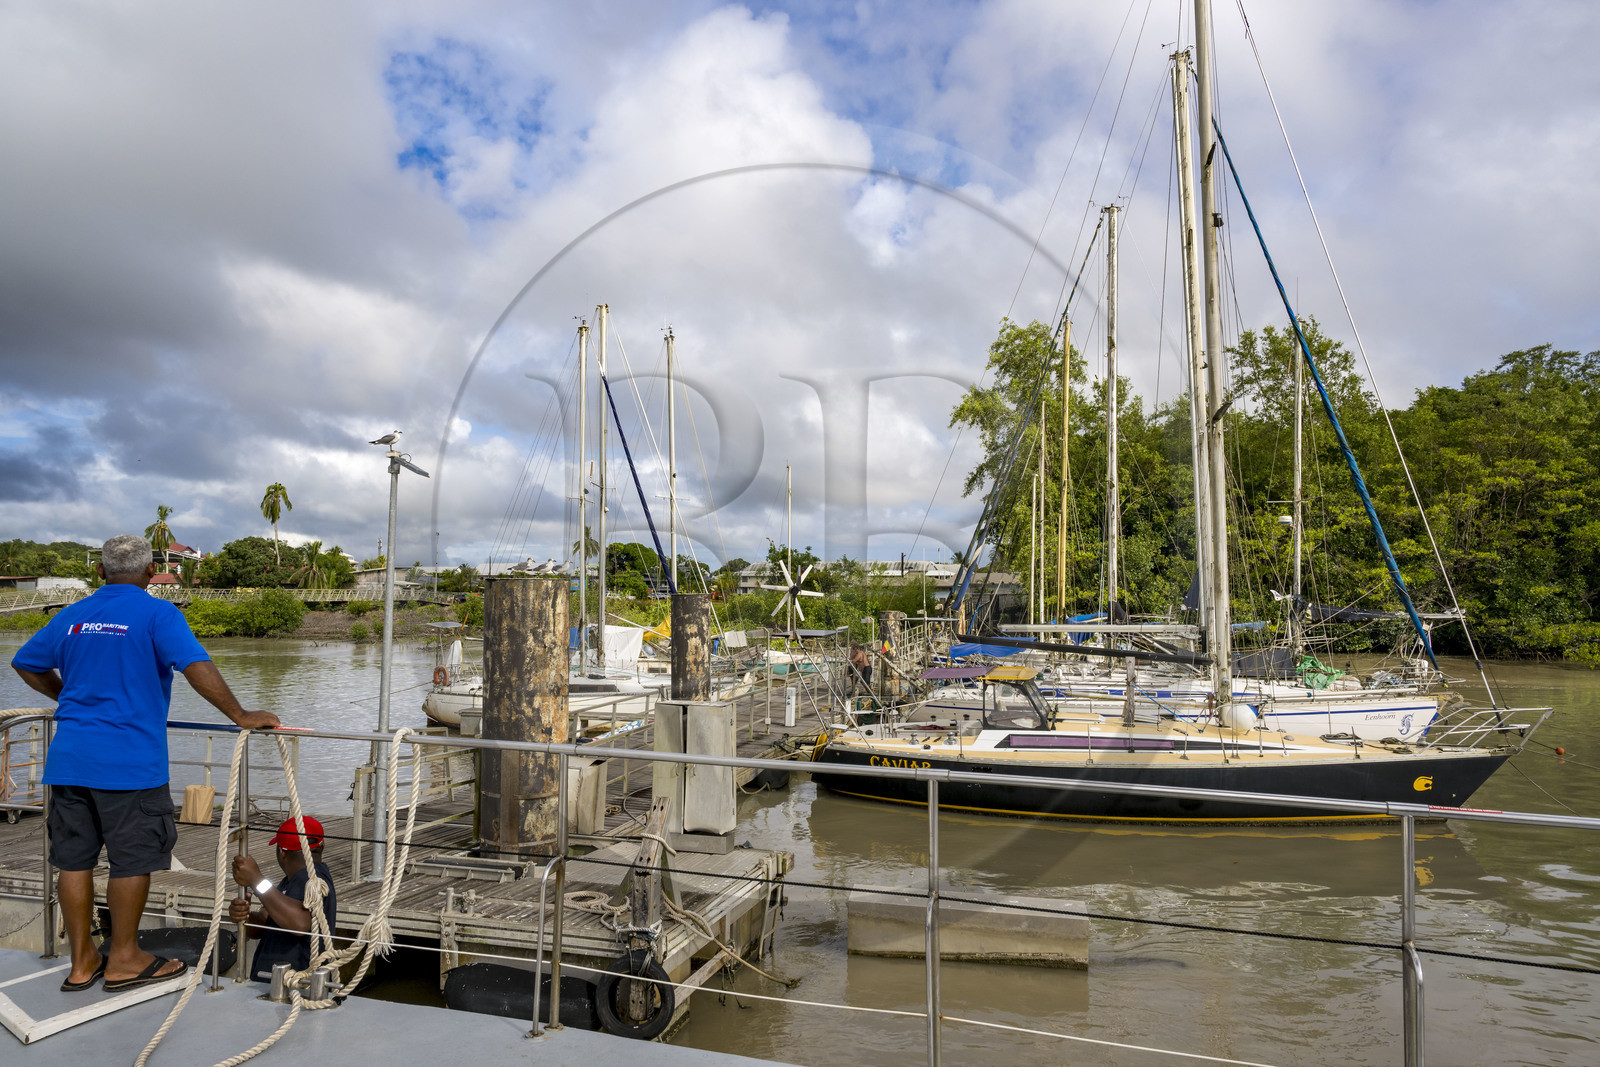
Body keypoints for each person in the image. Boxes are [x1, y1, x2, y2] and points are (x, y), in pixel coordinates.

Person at [9, 534, 280, 992]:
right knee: (131, 861)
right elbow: (195, 665)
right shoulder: (158, 613)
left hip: (70, 760)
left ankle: (81, 964)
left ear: (101, 572)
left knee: (72, 863)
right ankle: (125, 960)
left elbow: (25, 662)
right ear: (153, 572)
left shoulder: (73, 615)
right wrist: (239, 715)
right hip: (129, 764)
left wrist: (67, 699)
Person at [228, 816, 337, 982]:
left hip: (293, 987)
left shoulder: (310, 878)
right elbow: (263, 923)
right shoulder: (291, 881)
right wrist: (246, 916)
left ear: (282, 852)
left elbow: (300, 923)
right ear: (322, 846)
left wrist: (256, 880)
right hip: (274, 985)